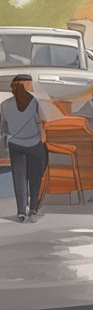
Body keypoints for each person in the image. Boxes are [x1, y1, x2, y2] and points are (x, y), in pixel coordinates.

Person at [1, 74, 49, 222]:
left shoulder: (4, 105)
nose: (31, 87)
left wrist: (7, 139)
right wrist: (42, 134)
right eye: (29, 84)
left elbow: (2, 127)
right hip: (33, 144)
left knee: (19, 178)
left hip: (15, 144)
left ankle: (21, 212)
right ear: (23, 84)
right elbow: (43, 120)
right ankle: (33, 209)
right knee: (35, 177)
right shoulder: (34, 101)